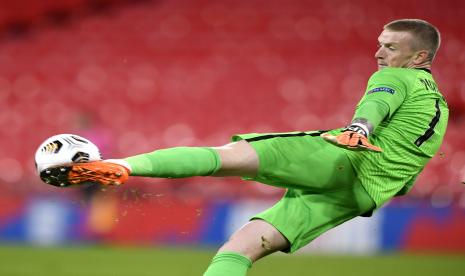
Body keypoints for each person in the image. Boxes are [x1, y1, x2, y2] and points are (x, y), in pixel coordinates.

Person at [40, 19, 448, 275]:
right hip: (362, 194)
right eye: (380, 43)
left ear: (420, 56)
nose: (379, 52)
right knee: (238, 250)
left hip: (343, 158)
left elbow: (376, 101)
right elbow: (408, 167)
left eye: (391, 47)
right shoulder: (440, 108)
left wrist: (359, 127)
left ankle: (120, 166)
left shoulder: (399, 79)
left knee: (224, 158)